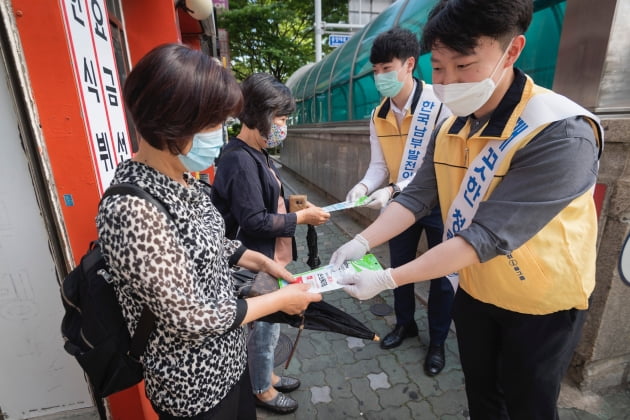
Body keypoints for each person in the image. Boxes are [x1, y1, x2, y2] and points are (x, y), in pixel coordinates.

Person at [330, 0, 603, 418]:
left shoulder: (560, 131)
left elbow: (484, 237)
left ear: (511, 51)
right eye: (438, 68)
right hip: (474, 291)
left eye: (465, 65)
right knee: (481, 395)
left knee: (527, 405)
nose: (449, 81)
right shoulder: (453, 126)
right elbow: (417, 196)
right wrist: (361, 240)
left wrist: (387, 278)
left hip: (540, 305)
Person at [96, 44, 321, 420]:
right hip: (193, 386)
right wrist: (279, 302)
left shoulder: (183, 178)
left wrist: (261, 260)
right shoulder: (130, 209)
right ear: (173, 121)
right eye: (213, 124)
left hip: (230, 364)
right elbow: (191, 317)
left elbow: (213, 240)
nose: (220, 135)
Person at [211, 73, 330, 414]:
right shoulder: (238, 158)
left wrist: (296, 206)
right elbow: (253, 221)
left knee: (272, 326)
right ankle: (261, 389)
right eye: (280, 118)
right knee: (262, 330)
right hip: (253, 263)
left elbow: (266, 200)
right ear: (260, 115)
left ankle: (267, 374)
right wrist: (301, 220)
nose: (283, 126)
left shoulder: (257, 150)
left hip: (269, 258)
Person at [344, 27, 453, 376]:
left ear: (409, 64)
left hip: (439, 204)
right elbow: (379, 165)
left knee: (441, 276)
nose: (380, 78)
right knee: (397, 267)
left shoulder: (440, 104)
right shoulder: (379, 115)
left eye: (386, 69)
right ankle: (405, 324)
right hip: (400, 208)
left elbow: (435, 166)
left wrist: (392, 189)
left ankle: (437, 342)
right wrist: (363, 185)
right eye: (375, 71)